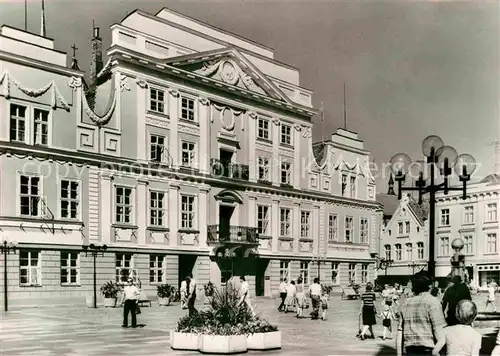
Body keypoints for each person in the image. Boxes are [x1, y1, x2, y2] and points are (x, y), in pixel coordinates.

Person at [397, 275, 446, 356]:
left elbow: (400, 333)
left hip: (410, 350)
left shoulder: (405, 303)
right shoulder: (433, 302)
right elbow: (439, 332)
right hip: (428, 350)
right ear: (429, 287)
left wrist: (399, 354)